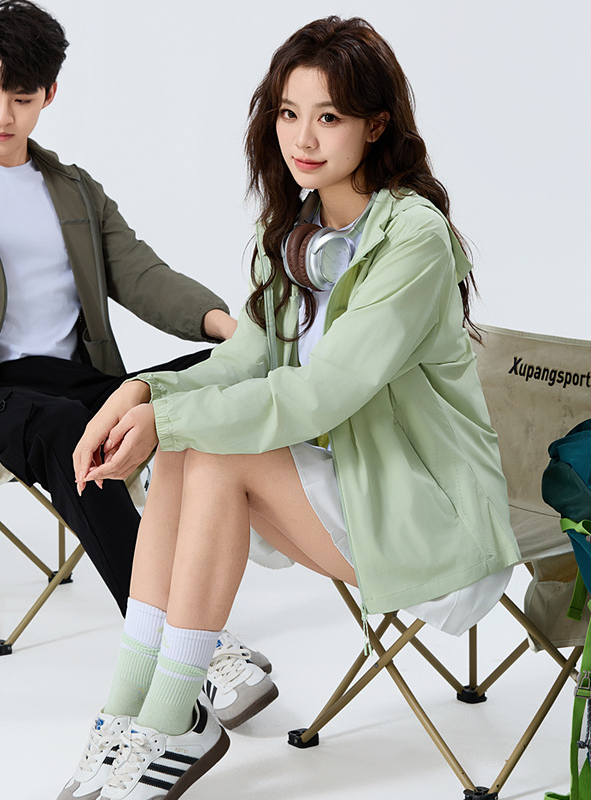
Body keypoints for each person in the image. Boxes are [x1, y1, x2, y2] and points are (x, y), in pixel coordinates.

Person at [62, 15, 521, 800]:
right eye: (288, 112)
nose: (302, 138)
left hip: (431, 517)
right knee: (193, 443)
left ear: (376, 125)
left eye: (329, 116)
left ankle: (175, 716)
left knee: (209, 449)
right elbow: (243, 362)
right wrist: (141, 392)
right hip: (344, 490)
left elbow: (321, 394)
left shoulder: (412, 240)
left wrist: (166, 420)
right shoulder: (295, 233)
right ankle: (132, 707)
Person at [0, 0, 280, 714]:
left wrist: (226, 330)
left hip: (73, 381)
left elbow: (140, 273)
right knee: (67, 429)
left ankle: (238, 543)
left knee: (210, 383)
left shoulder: (72, 189)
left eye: (21, 98)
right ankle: (192, 649)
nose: (2, 116)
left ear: (49, 94)